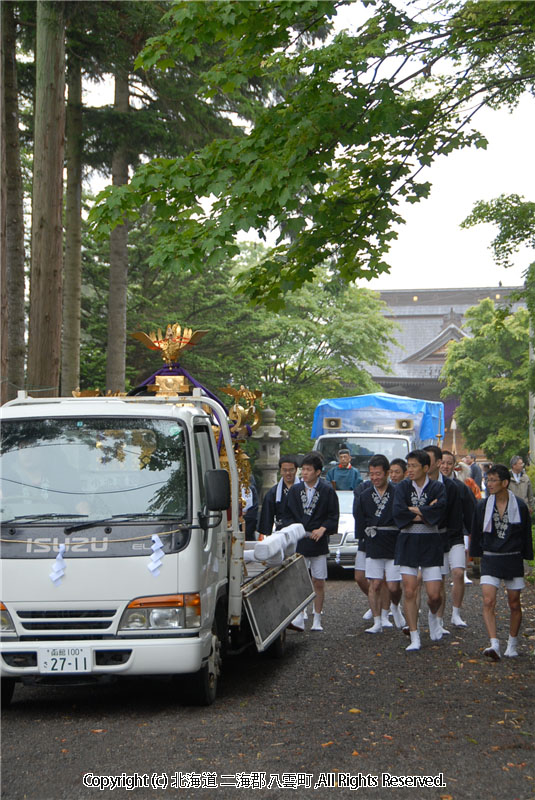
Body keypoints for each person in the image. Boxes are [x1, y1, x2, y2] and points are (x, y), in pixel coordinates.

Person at [470, 463, 533, 660]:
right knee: (488, 600)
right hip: (491, 557)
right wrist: (476, 556)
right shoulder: (483, 505)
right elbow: (476, 531)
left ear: (505, 483)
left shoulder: (520, 506)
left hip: (512, 557)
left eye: (493, 480)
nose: (489, 484)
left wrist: (525, 556)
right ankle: (494, 644)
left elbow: (524, 535)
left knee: (514, 603)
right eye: (487, 480)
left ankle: (512, 643)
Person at [393, 449, 447, 652]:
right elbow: (397, 512)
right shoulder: (402, 488)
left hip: (431, 541)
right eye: (408, 466)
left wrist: (413, 510)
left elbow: (439, 512)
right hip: (408, 540)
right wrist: (424, 511)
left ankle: (434, 616)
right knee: (409, 589)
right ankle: (414, 635)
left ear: (426, 467)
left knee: (434, 594)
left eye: (414, 466)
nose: (410, 470)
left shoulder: (437, 488)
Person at [282, 452, 339, 631]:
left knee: (319, 580)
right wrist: (296, 529)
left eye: (308, 470)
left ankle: (317, 618)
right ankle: (299, 615)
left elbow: (333, 515)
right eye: (303, 470)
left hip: (318, 541)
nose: (304, 473)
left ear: (317, 472)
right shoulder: (295, 491)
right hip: (300, 539)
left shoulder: (327, 490)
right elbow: (287, 515)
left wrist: (323, 528)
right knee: (301, 579)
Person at [355, 455, 405, 633]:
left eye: (378, 474)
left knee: (393, 585)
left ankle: (394, 606)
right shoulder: (364, 495)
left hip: (393, 542)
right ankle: (377, 620)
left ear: (386, 474)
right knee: (375, 583)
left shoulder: (398, 492)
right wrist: (362, 539)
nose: (375, 478)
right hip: (373, 541)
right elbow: (360, 519)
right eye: (372, 474)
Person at [424, 445, 466, 631]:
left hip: (454, 534)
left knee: (457, 572)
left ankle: (456, 613)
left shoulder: (455, 487)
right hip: (434, 537)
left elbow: (462, 514)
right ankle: (438, 619)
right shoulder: (420, 485)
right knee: (438, 580)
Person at [440, 450, 476, 585]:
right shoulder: (431, 486)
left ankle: (456, 607)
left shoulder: (461, 487)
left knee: (458, 572)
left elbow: (470, 511)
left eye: (449, 463)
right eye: (442, 463)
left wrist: (472, 531)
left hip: (457, 532)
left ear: (454, 465)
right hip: (436, 535)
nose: (445, 466)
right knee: (438, 579)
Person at [257, 456, 300, 536]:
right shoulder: (273, 492)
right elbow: (267, 516)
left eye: (291, 470)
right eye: (285, 470)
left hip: (301, 531)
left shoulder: (304, 489)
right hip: (281, 532)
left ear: (296, 470)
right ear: (280, 471)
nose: (288, 473)